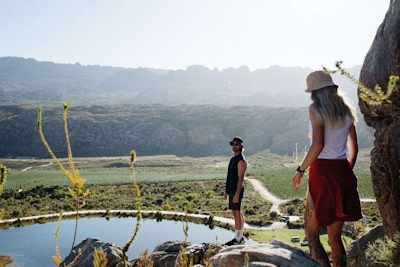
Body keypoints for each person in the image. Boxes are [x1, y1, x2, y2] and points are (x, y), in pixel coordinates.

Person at [291, 71, 362, 267]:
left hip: (321, 172)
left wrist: (300, 170)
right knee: (335, 238)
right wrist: (345, 171)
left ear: (314, 92)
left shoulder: (315, 109)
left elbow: (317, 145)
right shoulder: (347, 111)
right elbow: (354, 150)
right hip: (343, 171)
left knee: (312, 235)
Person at [224, 136, 247, 246]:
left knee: (237, 213)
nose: (234, 146)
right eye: (233, 144)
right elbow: (230, 176)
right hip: (232, 190)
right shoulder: (233, 159)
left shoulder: (241, 161)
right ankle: (239, 237)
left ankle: (238, 239)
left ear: (241, 146)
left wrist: (237, 194)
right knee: (237, 212)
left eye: (236, 144)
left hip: (236, 191)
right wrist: (227, 191)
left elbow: (240, 179)